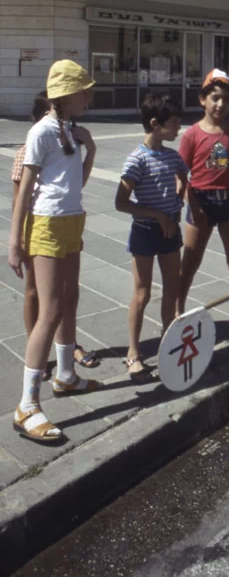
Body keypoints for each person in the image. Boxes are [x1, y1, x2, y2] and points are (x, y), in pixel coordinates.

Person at [9, 60, 99, 444]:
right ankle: (27, 405)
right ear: (65, 96)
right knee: (50, 311)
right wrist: (14, 241)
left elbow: (76, 182)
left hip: (71, 220)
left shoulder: (69, 130)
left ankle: (65, 375)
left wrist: (90, 147)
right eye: (84, 91)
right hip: (45, 226)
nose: (89, 97)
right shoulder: (42, 132)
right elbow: (25, 188)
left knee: (69, 300)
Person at [177, 69, 229, 344]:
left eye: (226, 99)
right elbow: (181, 174)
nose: (220, 104)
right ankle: (177, 315)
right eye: (215, 98)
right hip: (200, 201)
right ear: (202, 100)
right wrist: (191, 202)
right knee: (189, 262)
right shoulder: (191, 135)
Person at [115, 94, 189, 383]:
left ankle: (167, 342)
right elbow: (121, 201)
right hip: (145, 232)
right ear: (155, 124)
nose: (178, 129)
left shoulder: (172, 155)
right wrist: (157, 215)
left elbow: (184, 177)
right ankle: (133, 352)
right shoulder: (137, 158)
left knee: (172, 289)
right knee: (142, 292)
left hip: (169, 231)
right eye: (174, 124)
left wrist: (177, 204)